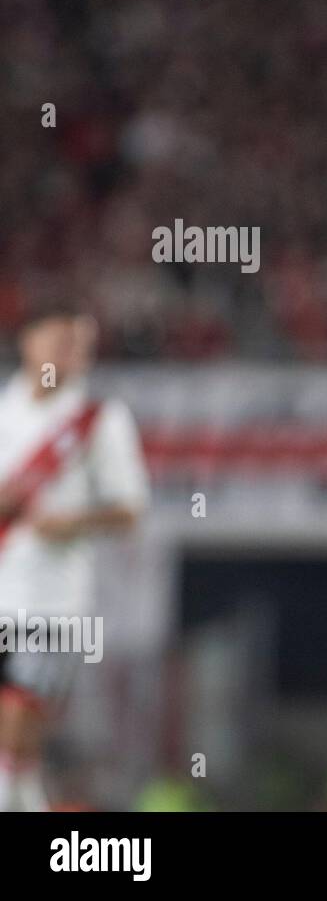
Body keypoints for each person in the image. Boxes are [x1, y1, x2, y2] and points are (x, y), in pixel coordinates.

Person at [0, 301, 150, 811]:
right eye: (62, 340)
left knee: (18, 725)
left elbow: (130, 510)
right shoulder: (6, 411)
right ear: (30, 343)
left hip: (53, 605)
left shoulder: (98, 421)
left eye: (81, 345)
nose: (72, 354)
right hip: (4, 587)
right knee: (13, 757)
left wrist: (73, 522)